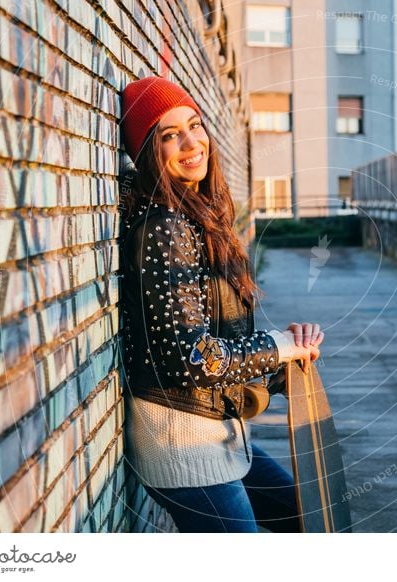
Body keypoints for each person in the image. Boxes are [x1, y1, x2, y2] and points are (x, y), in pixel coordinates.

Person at [118, 76, 323, 532]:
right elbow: (194, 358)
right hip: (183, 441)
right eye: (170, 135)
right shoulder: (165, 229)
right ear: (149, 151)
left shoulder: (198, 215)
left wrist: (285, 358)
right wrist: (277, 344)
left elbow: (218, 341)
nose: (192, 143)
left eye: (194, 125)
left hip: (220, 429)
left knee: (306, 515)